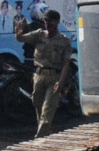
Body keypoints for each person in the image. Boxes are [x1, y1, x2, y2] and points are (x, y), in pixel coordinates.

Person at [19, 8, 73, 137]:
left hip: (54, 78)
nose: (47, 25)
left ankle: (39, 138)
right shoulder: (39, 34)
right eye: (46, 22)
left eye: (50, 22)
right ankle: (45, 133)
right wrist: (18, 30)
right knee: (38, 105)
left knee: (48, 109)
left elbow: (66, 64)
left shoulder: (64, 41)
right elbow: (21, 38)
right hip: (38, 76)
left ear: (57, 22)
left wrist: (60, 82)